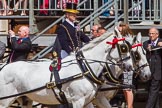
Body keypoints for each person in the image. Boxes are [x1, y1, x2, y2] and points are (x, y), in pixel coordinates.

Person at [143, 27, 162, 108]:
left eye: (152, 33)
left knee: (153, 91)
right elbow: (146, 47)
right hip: (149, 72)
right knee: (153, 92)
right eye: (149, 33)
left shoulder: (161, 42)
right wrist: (149, 48)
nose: (151, 35)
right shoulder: (146, 43)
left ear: (157, 34)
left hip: (158, 71)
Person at [117, 22, 134, 108]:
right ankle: (128, 104)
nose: (118, 28)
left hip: (128, 66)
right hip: (122, 65)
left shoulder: (128, 38)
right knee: (124, 88)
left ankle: (130, 106)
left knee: (128, 88)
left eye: (120, 27)